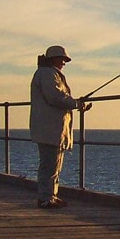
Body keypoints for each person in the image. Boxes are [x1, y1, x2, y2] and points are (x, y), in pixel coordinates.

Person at [30, 45, 91, 209]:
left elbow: (57, 97)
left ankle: (51, 195)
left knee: (53, 165)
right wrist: (75, 103)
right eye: (62, 59)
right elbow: (55, 97)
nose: (64, 62)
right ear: (53, 59)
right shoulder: (48, 74)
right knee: (49, 165)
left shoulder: (47, 73)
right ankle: (45, 198)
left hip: (50, 127)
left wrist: (75, 103)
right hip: (50, 127)